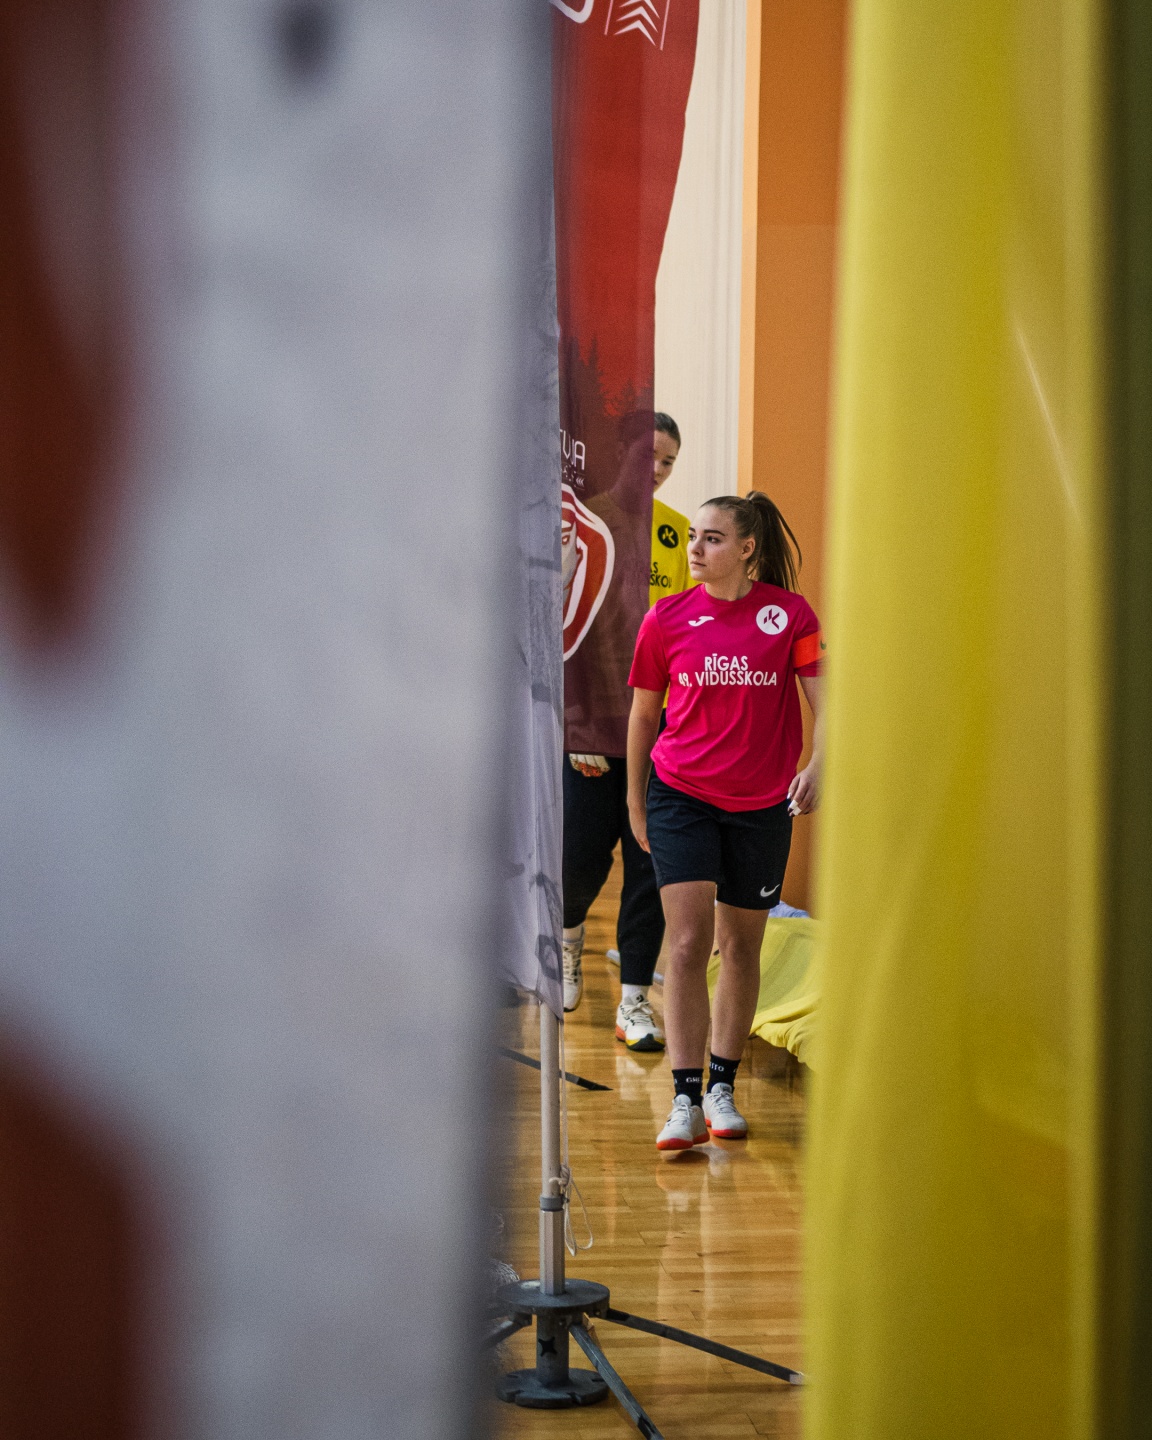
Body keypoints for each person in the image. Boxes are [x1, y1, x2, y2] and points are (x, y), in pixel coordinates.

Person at [625, 492, 824, 1149]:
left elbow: (828, 702)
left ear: (746, 548)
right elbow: (643, 716)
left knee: (741, 946)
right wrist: (635, 802)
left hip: (762, 805)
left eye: (712, 538)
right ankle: (683, 1099)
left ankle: (721, 1088)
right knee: (688, 942)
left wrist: (820, 764)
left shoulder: (790, 616)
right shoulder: (665, 618)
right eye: (694, 537)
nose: (695, 549)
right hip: (680, 795)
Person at [562, 413, 690, 1053]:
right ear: (620, 450)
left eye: (669, 461)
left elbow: (689, 630)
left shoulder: (677, 532)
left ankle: (634, 1000)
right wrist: (576, 724)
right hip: (591, 729)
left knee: (650, 864)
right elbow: (564, 629)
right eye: (649, 456)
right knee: (580, 859)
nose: (658, 471)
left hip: (659, 732)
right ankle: (567, 941)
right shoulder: (586, 522)